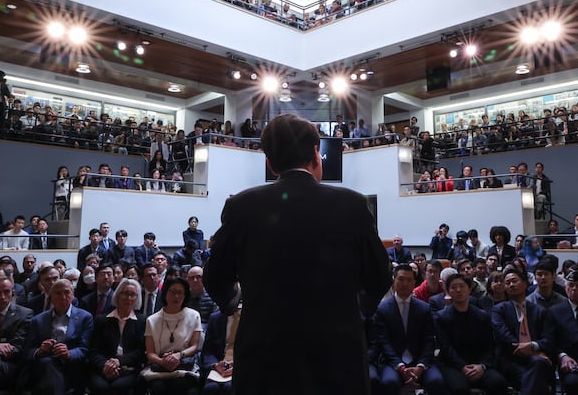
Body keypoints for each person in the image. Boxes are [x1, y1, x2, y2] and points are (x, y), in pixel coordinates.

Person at [204, 114, 391, 395]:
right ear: (316, 155)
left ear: (270, 162)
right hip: (337, 357)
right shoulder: (353, 204)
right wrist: (352, 309)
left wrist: (237, 302)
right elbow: (379, 276)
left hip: (263, 358)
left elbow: (216, 278)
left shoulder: (240, 206)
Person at [372, 265, 448, 395]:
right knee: (389, 382)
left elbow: (429, 340)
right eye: (401, 279)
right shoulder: (382, 309)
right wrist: (400, 366)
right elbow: (383, 342)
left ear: (414, 283)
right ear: (393, 281)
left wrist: (420, 366)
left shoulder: (424, 308)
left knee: (436, 381)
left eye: (409, 280)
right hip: (393, 362)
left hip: (420, 360)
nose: (405, 284)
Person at [435, 273, 509, 395]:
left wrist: (482, 366)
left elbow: (489, 345)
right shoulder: (441, 317)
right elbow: (446, 347)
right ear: (447, 292)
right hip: (453, 365)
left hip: (479, 363)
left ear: (469, 289)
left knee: (498, 382)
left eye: (462, 286)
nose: (458, 290)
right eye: (453, 287)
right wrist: (462, 367)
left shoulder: (482, 315)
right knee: (459, 388)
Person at [19, 280, 93, 395]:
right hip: (44, 363)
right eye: (58, 293)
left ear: (73, 295)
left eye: (67, 292)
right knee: (48, 364)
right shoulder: (38, 320)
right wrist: (40, 350)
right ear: (51, 297)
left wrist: (68, 353)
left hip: (71, 365)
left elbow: (84, 349)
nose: (63, 297)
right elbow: (28, 351)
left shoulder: (85, 317)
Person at [491, 266, 554, 393]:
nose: (511, 285)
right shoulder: (499, 310)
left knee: (537, 366)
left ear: (525, 284)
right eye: (507, 283)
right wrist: (528, 351)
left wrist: (532, 346)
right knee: (536, 376)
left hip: (536, 358)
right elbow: (503, 335)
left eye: (514, 281)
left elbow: (549, 338)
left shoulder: (539, 311)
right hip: (511, 359)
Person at [88, 278, 146, 395]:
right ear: (118, 295)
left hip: (129, 368)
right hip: (103, 367)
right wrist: (106, 365)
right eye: (125, 293)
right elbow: (93, 350)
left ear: (137, 298)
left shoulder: (142, 321)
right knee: (100, 387)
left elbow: (140, 351)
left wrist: (119, 362)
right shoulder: (102, 320)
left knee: (119, 387)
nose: (128, 298)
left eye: (132, 295)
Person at [143, 277, 201, 395]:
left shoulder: (194, 316)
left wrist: (178, 355)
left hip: (183, 364)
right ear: (165, 293)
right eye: (173, 292)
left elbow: (194, 346)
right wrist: (162, 361)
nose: (176, 296)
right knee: (158, 388)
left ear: (185, 295)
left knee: (180, 385)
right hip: (159, 366)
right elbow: (150, 353)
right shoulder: (152, 320)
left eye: (180, 292)